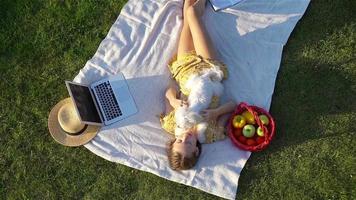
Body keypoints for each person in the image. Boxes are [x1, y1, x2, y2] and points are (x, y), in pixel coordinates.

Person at [160, 0, 236, 170]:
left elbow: (169, 91)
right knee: (193, 14)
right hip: (209, 68)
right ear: (195, 151)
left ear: (174, 142)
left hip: (185, 67)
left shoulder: (173, 125)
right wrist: (216, 112)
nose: (185, 138)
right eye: (188, 144)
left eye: (179, 141)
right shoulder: (211, 134)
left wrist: (174, 102)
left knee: (188, 11)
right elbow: (233, 105)